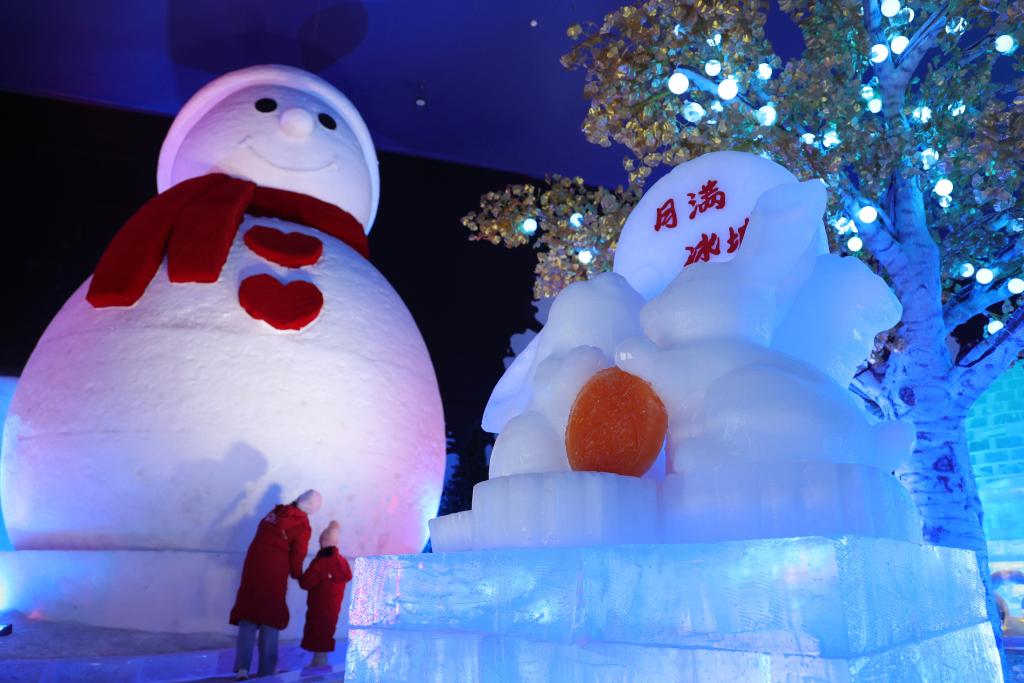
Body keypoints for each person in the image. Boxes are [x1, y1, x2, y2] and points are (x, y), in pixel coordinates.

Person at [230, 489, 321, 680]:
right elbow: (298, 554)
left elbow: (260, 533)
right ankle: (267, 670)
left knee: (248, 613)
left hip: (253, 565)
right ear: (311, 508)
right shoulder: (302, 525)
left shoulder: (276, 512)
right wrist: (298, 575)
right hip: (275, 570)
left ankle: (242, 669)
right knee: (270, 617)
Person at [299, 520, 353, 668]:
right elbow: (346, 576)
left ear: (323, 541)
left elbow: (306, 582)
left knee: (317, 631)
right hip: (333, 606)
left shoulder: (322, 561)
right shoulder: (341, 561)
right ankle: (320, 661)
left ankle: (319, 664)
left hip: (319, 604)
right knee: (326, 631)